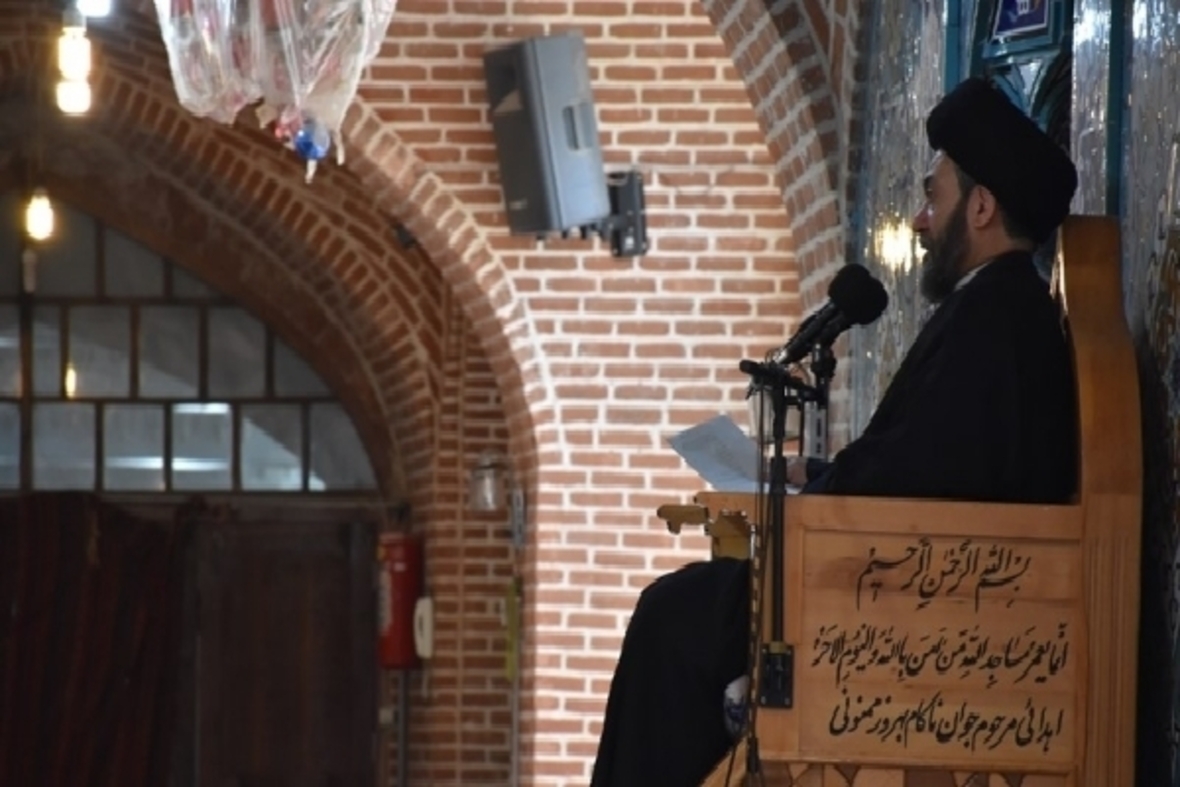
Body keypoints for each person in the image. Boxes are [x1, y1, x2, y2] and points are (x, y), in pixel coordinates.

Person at [589, 77, 1081, 787]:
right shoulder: (1000, 310)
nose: (920, 221)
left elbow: (920, 480)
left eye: (934, 197)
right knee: (684, 608)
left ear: (980, 207)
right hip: (909, 584)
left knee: (671, 618)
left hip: (915, 604)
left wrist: (817, 494)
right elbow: (923, 460)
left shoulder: (994, 322)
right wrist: (816, 475)